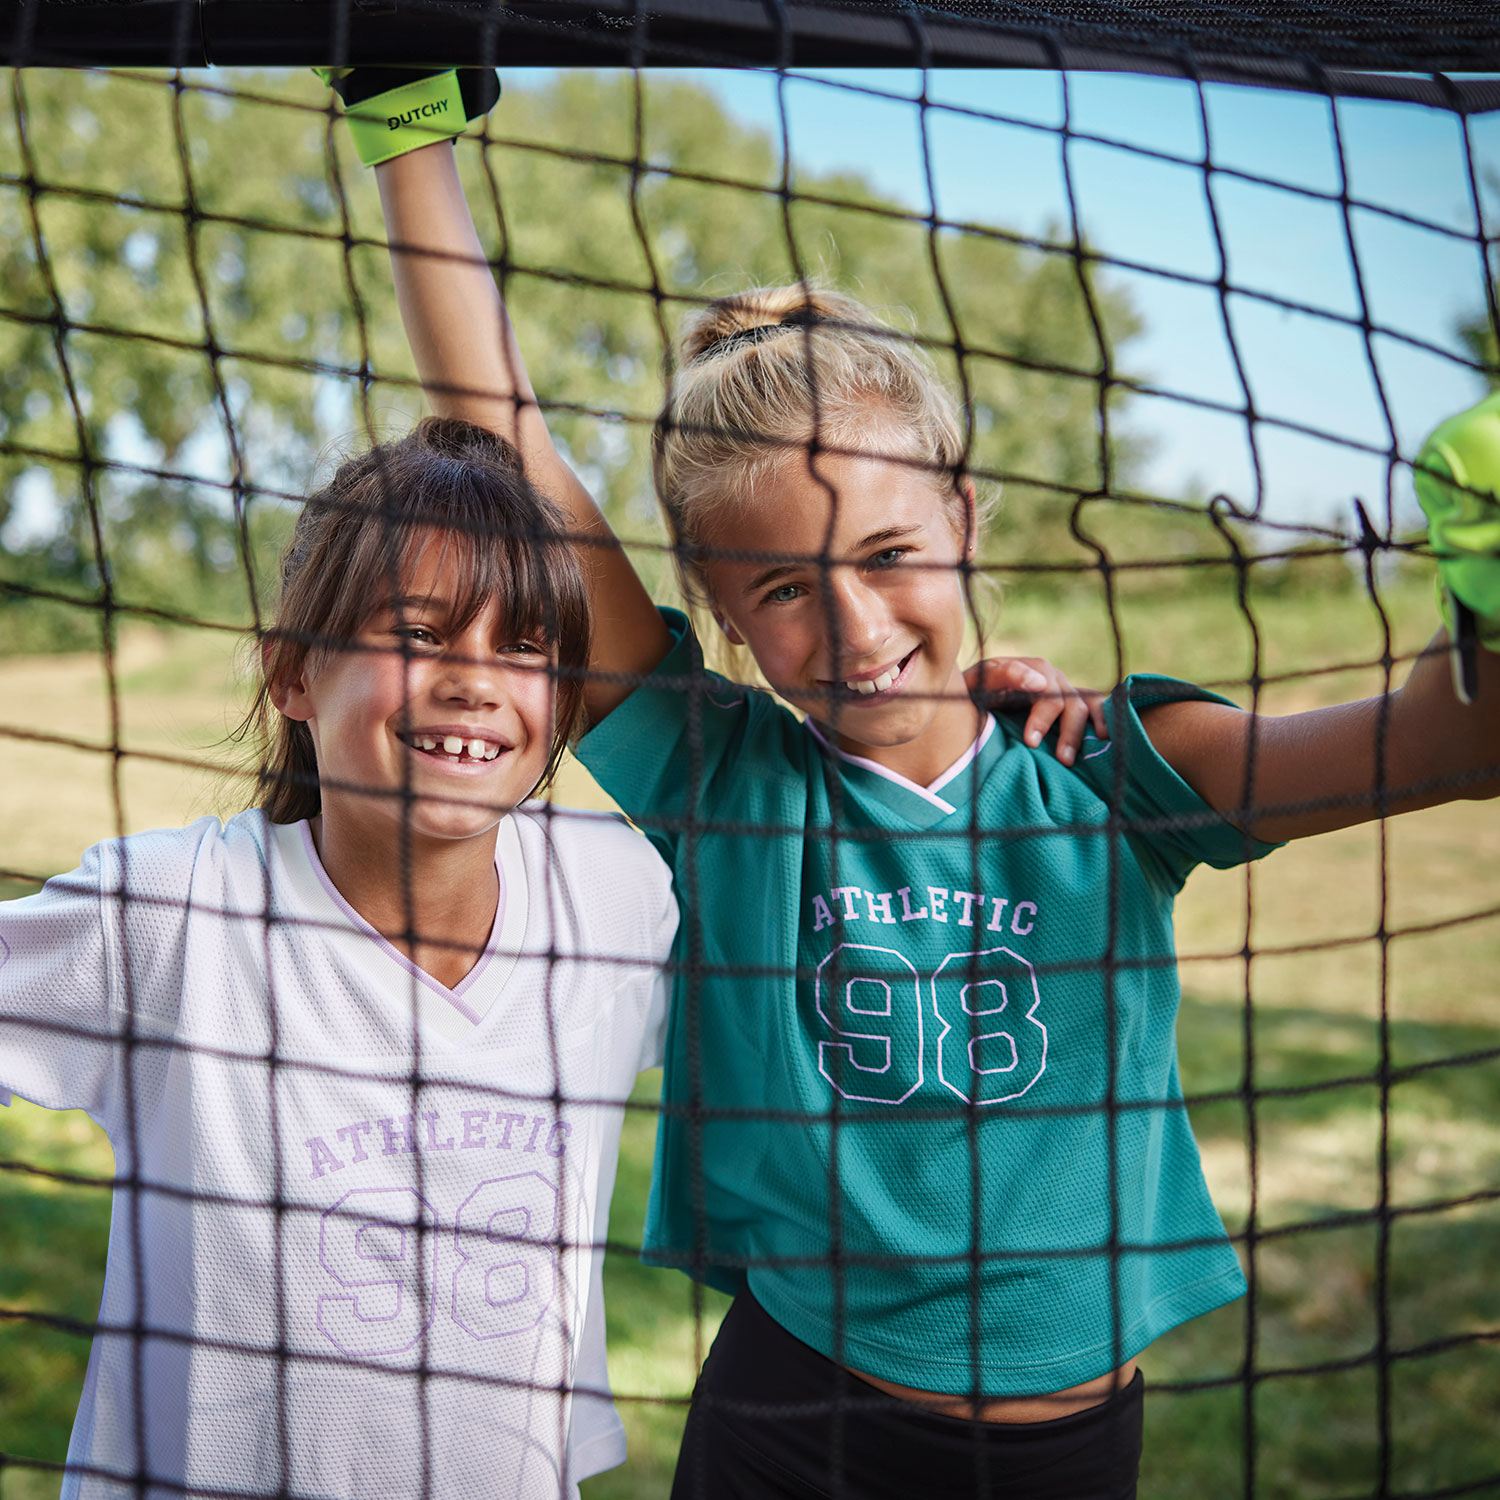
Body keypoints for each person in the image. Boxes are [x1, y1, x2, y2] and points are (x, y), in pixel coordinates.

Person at [358, 75, 1500, 1500]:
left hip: (1062, 1453)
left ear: (963, 519)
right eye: (782, 586)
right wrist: (406, 126)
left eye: (890, 550)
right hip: (792, 1421)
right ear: (715, 614)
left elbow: (1448, 751)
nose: (853, 625)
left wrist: (1487, 607)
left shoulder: (1117, 769)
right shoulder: (722, 779)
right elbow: (500, 429)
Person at [0, 419, 678, 1500]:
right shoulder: (179, 913)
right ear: (293, 676)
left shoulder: (613, 897)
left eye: (524, 645)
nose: (475, 682)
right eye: (419, 633)